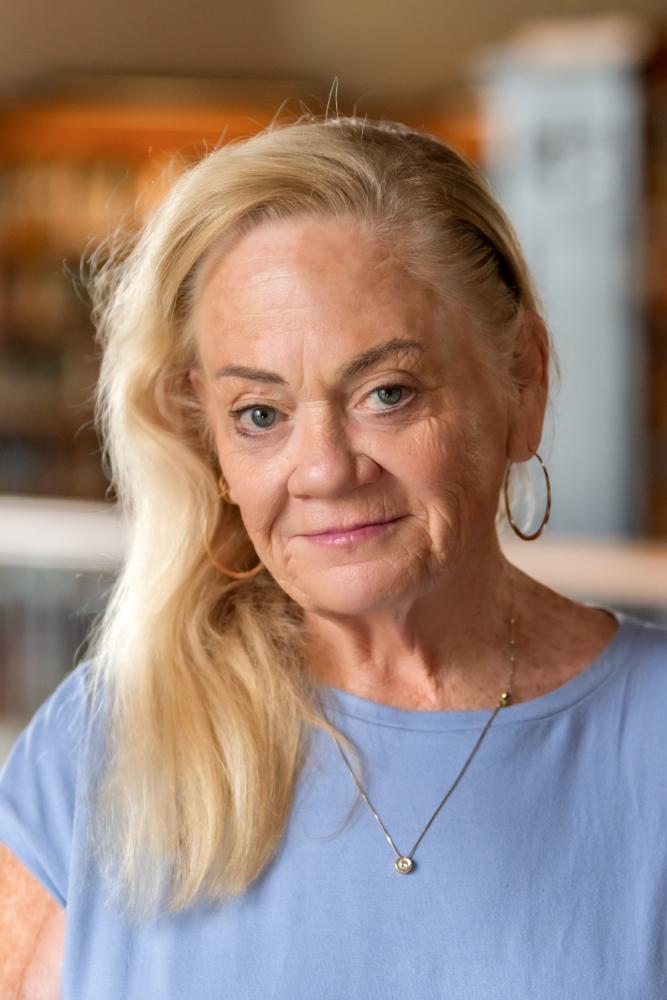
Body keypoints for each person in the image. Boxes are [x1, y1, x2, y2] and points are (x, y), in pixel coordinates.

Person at [1, 113, 666, 1000]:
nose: (323, 470)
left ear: (523, 380)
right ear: (210, 442)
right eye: (260, 415)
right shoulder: (103, 743)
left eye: (386, 393)